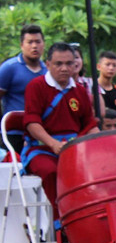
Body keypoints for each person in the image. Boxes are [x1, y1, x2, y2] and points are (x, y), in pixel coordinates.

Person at [21, 42, 98, 214]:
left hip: (74, 150)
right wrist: (53, 144)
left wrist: (101, 147)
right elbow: (32, 122)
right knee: (51, 172)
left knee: (98, 170)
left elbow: (90, 125)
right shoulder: (36, 86)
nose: (64, 68)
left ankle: (91, 218)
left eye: (69, 63)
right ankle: (63, 221)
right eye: (58, 64)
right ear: (48, 64)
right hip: (42, 148)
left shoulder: (79, 90)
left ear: (75, 65)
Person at [0, 24, 47, 154]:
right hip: (13, 132)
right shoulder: (9, 68)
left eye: (38, 42)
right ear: (22, 45)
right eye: (30, 42)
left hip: (41, 133)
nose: (34, 46)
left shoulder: (48, 71)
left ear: (43, 44)